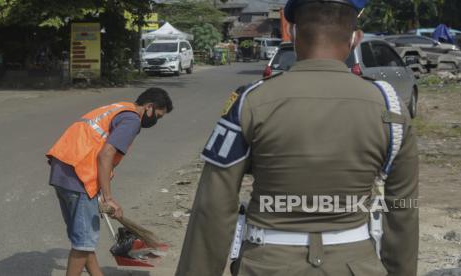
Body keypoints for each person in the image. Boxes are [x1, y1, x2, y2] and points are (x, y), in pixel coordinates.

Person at [176, 0, 418, 275]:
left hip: (267, 265)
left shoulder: (250, 102)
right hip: (355, 265)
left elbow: (213, 206)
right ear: (355, 38)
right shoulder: (390, 107)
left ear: (290, 32)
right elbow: (403, 211)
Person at [47, 88, 173, 276]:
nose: (156, 120)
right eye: (158, 116)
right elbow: (106, 154)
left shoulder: (119, 107)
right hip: (80, 174)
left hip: (63, 169)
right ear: (149, 107)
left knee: (84, 239)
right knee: (83, 244)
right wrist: (108, 198)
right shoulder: (132, 120)